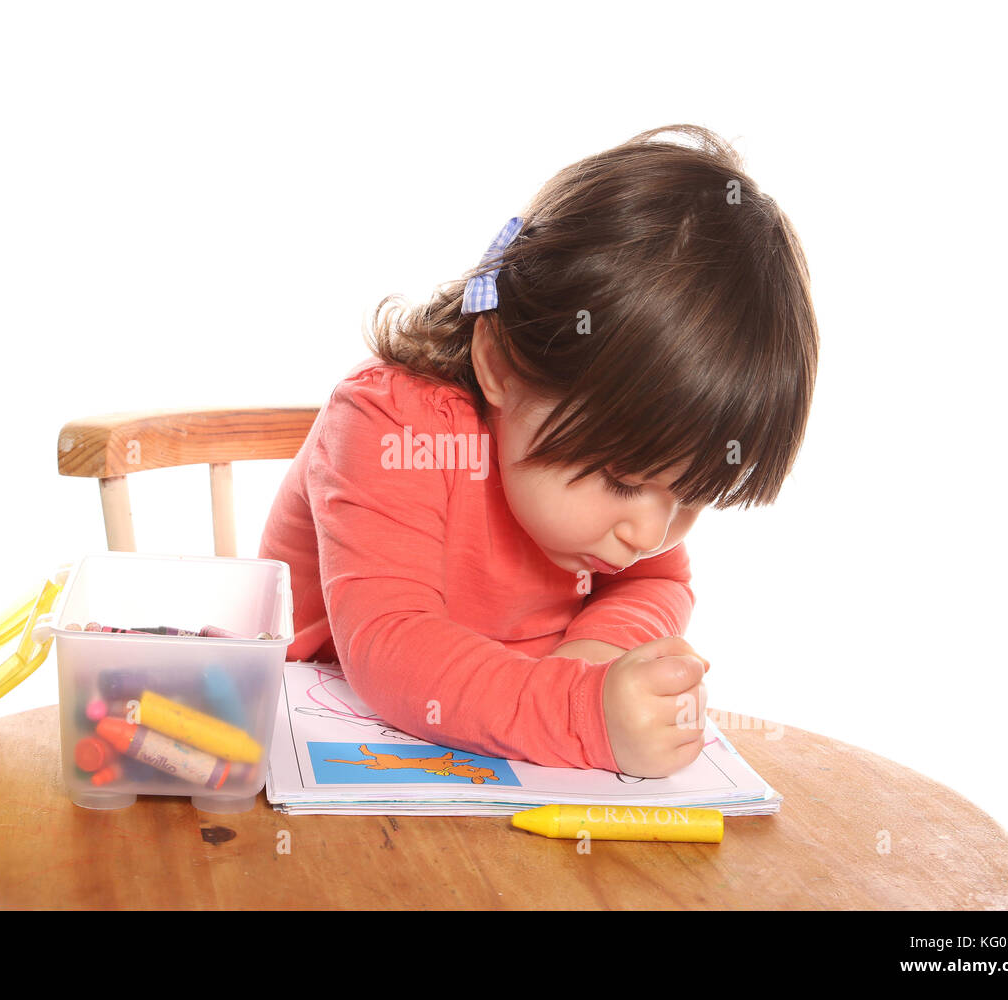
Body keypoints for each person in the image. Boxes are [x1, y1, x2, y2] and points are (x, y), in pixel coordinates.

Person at [259, 124, 818, 777]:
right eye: (619, 479)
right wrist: (583, 712)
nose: (649, 531)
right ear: (498, 362)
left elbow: (661, 581)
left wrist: (597, 649)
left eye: (691, 497)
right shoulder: (395, 428)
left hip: (497, 764)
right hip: (332, 747)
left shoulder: (631, 517)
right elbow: (392, 647)